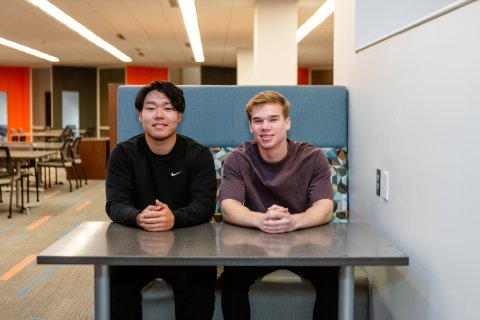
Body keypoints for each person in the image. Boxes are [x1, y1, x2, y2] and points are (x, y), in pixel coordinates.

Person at [219, 90, 339, 320]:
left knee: (332, 278)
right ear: (250, 126)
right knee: (232, 279)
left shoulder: (313, 157)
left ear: (287, 123)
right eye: (258, 121)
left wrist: (294, 221)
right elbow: (229, 206)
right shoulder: (237, 158)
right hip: (254, 246)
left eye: (273, 119)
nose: (265, 127)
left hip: (305, 244)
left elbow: (324, 207)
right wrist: (260, 219)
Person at [105, 80, 217, 320]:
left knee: (200, 281)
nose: (159, 115)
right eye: (151, 108)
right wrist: (138, 216)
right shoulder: (123, 153)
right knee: (115, 282)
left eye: (167, 108)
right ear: (140, 115)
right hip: (135, 247)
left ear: (179, 115)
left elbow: (204, 205)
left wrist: (173, 218)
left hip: (188, 247)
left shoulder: (198, 155)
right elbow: (115, 204)